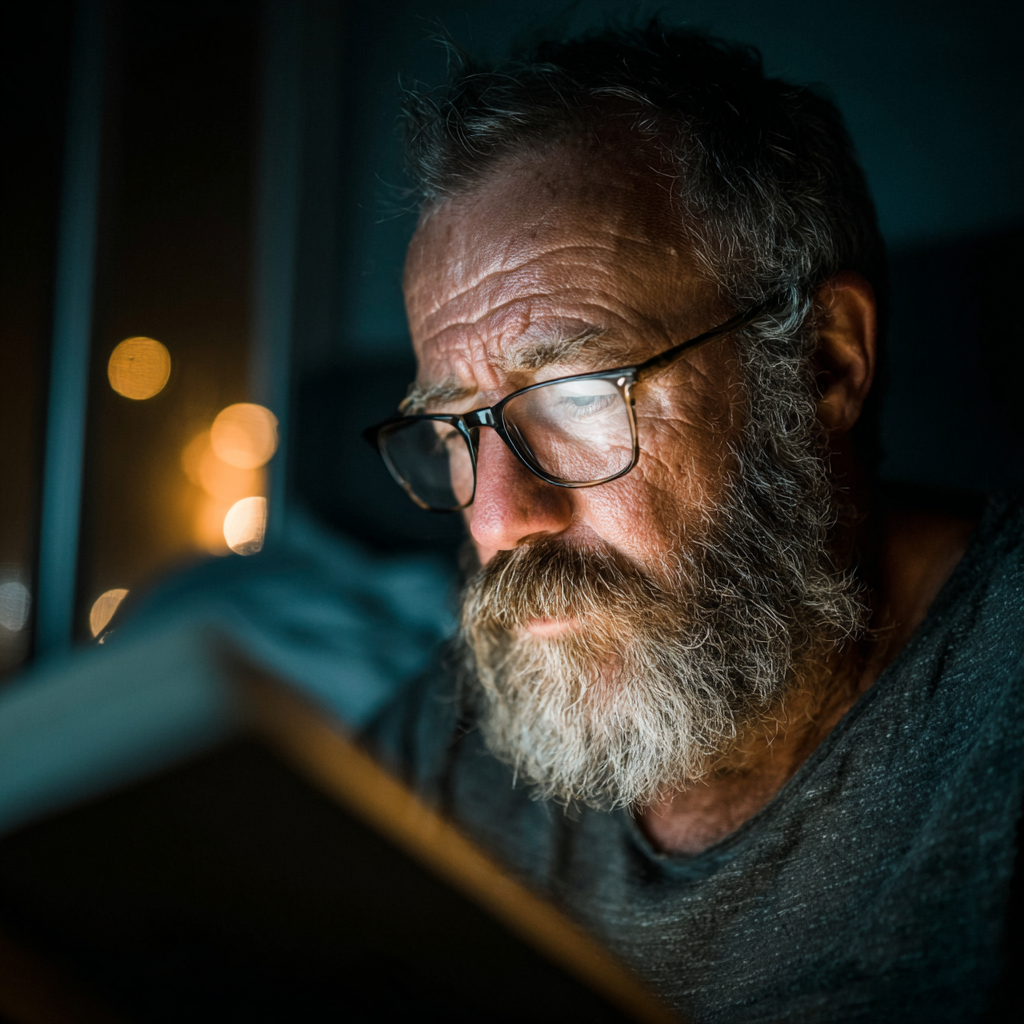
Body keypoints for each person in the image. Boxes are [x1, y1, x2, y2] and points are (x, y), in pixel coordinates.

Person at [361, 23, 1024, 1022]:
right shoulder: (450, 743)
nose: (500, 518)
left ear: (823, 363)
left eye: (579, 392)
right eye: (455, 429)